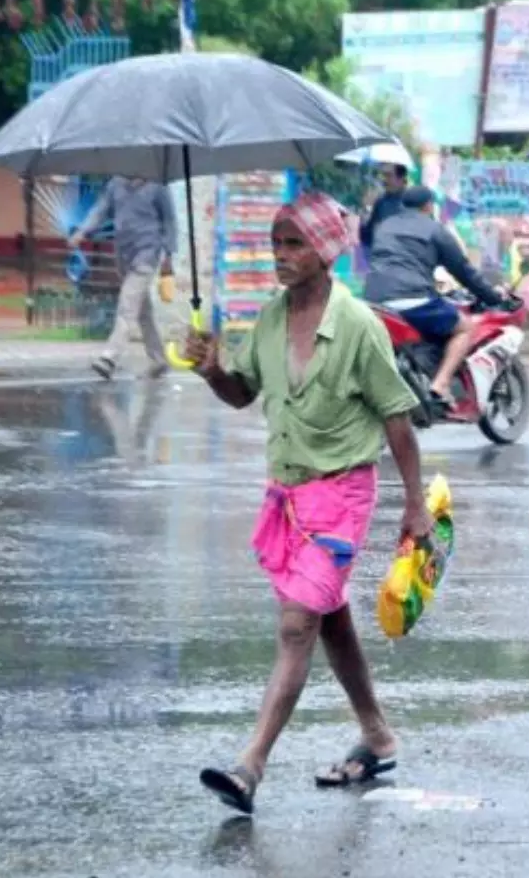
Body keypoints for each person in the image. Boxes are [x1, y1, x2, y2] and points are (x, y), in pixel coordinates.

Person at [183, 191, 434, 815]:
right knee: (330, 618)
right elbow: (242, 393)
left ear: (324, 251)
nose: (280, 254)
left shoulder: (357, 325)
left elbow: (397, 417)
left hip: (343, 495)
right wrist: (213, 370)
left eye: (293, 243)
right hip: (288, 496)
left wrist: (415, 504)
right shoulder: (271, 319)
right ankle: (377, 735)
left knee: (298, 624)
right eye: (275, 243)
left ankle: (250, 766)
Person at [363, 186, 515, 405]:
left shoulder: (384, 227)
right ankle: (441, 384)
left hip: (374, 301)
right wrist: (494, 297)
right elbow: (464, 271)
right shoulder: (435, 230)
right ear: (428, 206)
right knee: (464, 328)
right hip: (414, 299)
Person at [68, 175, 178, 380]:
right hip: (123, 254)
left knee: (127, 306)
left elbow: (170, 221)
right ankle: (158, 360)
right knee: (143, 311)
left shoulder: (158, 186)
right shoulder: (115, 184)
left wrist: (169, 255)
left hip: (147, 254)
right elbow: (100, 211)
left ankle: (109, 357)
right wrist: (83, 231)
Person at [358, 163, 409, 251]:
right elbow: (367, 235)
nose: (384, 180)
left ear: (400, 179)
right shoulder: (381, 201)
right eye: (384, 175)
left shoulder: (410, 202)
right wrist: (366, 208)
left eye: (389, 175)